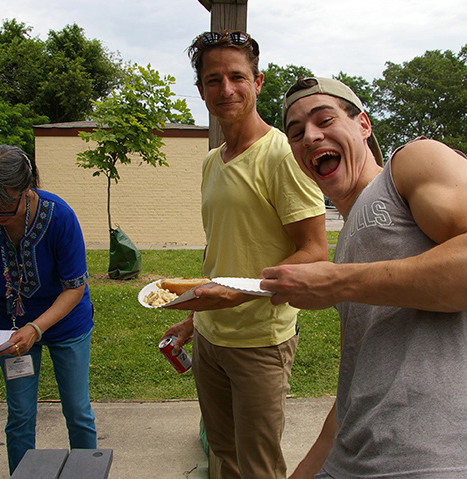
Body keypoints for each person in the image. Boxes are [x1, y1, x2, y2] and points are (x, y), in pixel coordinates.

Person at [260, 77, 467, 479]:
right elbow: (356, 382)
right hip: (354, 459)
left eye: (324, 120)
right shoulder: (346, 242)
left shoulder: (412, 162)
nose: (310, 137)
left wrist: (336, 282)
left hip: (444, 460)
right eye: (296, 133)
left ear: (363, 125)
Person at [162, 32, 327, 478]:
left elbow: (314, 250)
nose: (226, 89)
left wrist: (239, 293)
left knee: (257, 466)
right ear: (201, 90)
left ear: (257, 82)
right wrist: (193, 319)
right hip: (211, 337)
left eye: (237, 77)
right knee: (222, 453)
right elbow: (222, 250)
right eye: (213, 80)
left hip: (260, 341)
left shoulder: (283, 155)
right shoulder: (211, 161)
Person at [0, 145, 96, 473]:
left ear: (27, 189)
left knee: (77, 410)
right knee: (20, 415)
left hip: (66, 323)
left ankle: (87, 472)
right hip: (9, 328)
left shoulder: (60, 216)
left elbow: (74, 288)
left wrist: (36, 328)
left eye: (5, 208)